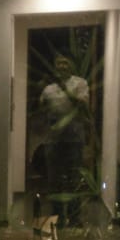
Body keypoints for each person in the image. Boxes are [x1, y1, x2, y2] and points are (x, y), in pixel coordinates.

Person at [39, 54, 89, 227]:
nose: (62, 66)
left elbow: (82, 105)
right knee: (54, 180)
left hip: (74, 139)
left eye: (65, 62)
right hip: (53, 140)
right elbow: (41, 109)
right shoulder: (48, 88)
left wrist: (65, 89)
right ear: (55, 66)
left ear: (71, 65)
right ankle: (57, 218)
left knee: (74, 179)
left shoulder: (80, 83)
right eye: (59, 63)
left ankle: (74, 218)